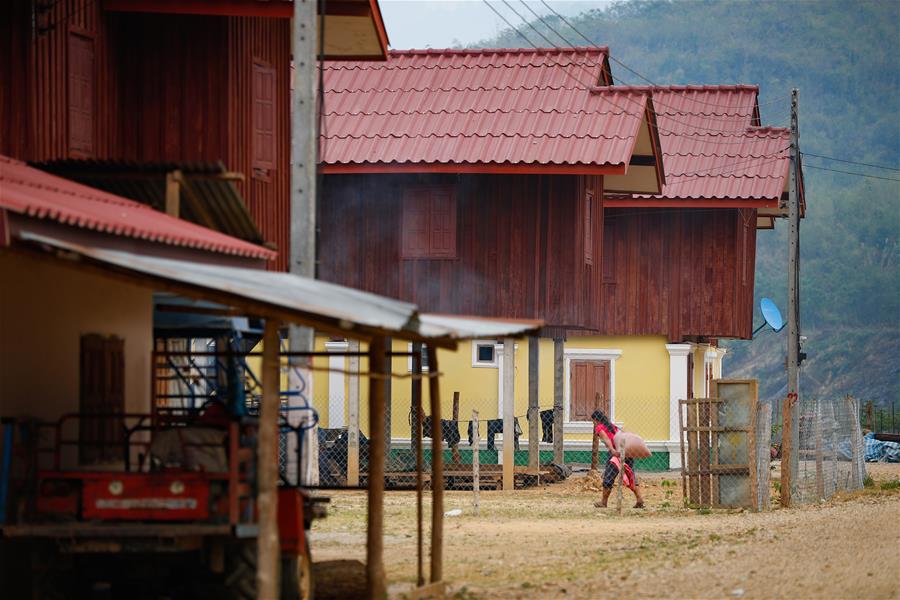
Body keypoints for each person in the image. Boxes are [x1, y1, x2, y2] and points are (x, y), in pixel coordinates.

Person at [591, 409, 645, 509]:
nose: (593, 423)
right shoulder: (612, 426)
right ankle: (640, 499)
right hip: (626, 452)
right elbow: (622, 435)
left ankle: (603, 502)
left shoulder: (599, 427)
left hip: (615, 453)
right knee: (630, 475)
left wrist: (612, 450)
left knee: (608, 477)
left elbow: (606, 438)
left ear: (595, 420)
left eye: (593, 421)